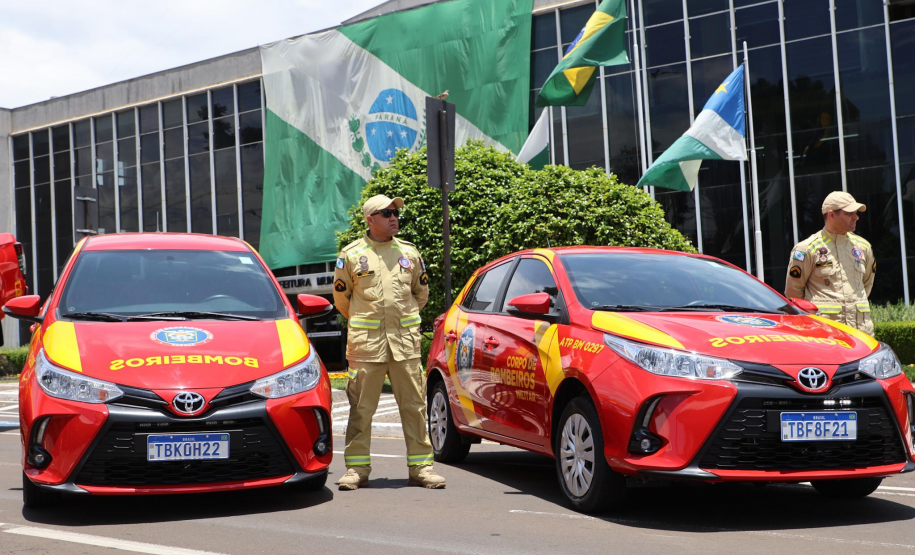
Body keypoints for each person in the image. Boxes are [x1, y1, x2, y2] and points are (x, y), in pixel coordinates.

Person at [331, 194, 445, 490]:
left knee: (415, 406)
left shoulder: (408, 252)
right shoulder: (352, 254)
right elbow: (343, 300)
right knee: (361, 409)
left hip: (405, 343)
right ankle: (357, 470)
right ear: (370, 219)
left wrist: (401, 320)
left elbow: (421, 294)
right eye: (386, 213)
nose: (394, 217)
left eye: (396, 213)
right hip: (366, 345)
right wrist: (368, 322)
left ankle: (421, 467)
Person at [785, 191, 875, 335]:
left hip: (861, 334)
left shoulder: (863, 247)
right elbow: (794, 294)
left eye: (856, 213)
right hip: (825, 335)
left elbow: (867, 284)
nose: (856, 217)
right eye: (849, 213)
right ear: (831, 215)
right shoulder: (806, 249)